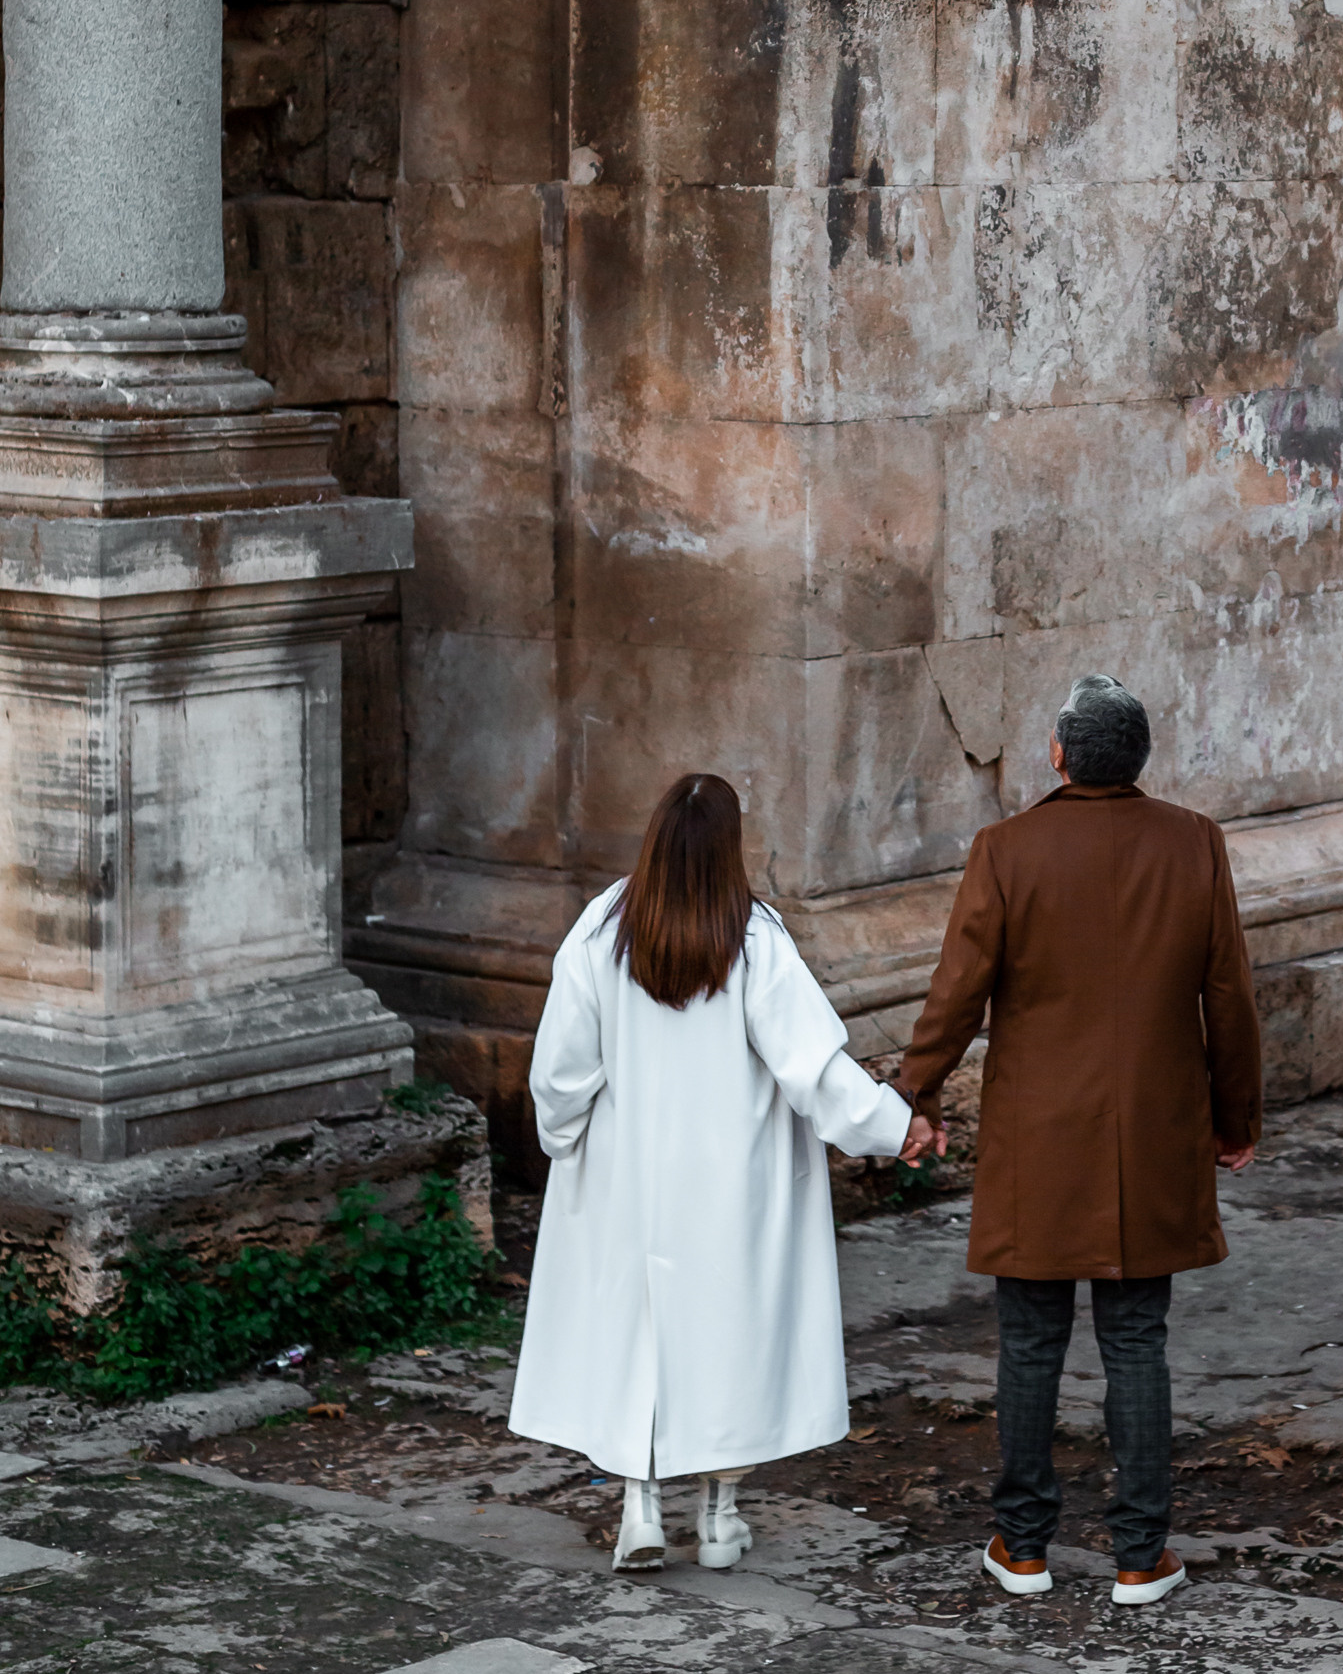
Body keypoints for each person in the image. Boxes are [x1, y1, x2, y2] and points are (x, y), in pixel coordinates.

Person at [509, 771, 939, 1571]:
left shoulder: (601, 929)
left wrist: (564, 1142)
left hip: (625, 1175)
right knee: (729, 1335)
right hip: (733, 1181)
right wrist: (892, 1125)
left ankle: (639, 1509)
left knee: (635, 1336)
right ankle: (718, 1516)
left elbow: (560, 1071)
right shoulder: (754, 938)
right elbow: (814, 1069)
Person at [896, 673, 1264, 1609]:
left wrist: (913, 1093)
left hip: (1038, 1139)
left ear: (1057, 755)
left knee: (1029, 1341)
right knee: (1137, 1338)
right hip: (1153, 1132)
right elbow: (1228, 998)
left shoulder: (1005, 850)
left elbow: (957, 992)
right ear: (1137, 758)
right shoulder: (1194, 842)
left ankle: (1022, 1547)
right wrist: (1235, 1120)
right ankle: (1140, 1554)